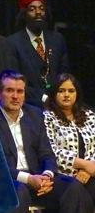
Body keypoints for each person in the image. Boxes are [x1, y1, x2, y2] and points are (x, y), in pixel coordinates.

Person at [0, 70, 93, 213]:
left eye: (20, 91)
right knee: (19, 191)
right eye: (9, 91)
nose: (15, 96)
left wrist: (47, 175)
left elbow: (47, 153)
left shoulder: (35, 114)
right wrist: (28, 179)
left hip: (39, 179)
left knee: (72, 187)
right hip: (11, 181)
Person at [8, 0, 69, 107]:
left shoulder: (57, 39)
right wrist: (44, 98)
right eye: (32, 9)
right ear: (24, 14)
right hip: (29, 105)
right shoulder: (12, 43)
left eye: (42, 8)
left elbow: (65, 74)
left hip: (59, 103)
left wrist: (60, 95)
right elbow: (15, 82)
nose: (38, 13)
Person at [44, 73, 95, 203]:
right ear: (54, 93)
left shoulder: (89, 115)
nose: (66, 95)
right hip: (63, 175)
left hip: (90, 173)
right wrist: (85, 165)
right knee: (78, 192)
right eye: (61, 91)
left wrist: (89, 170)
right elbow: (51, 152)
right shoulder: (47, 118)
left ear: (77, 94)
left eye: (71, 91)